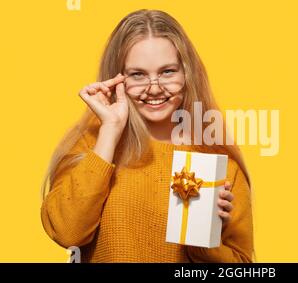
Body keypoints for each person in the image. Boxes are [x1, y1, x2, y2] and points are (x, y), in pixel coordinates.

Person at [40, 9, 254, 262]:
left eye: (167, 72)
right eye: (138, 74)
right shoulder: (95, 144)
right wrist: (110, 129)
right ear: (117, 79)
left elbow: (242, 265)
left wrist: (204, 240)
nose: (154, 88)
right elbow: (67, 233)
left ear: (187, 75)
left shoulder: (215, 162)